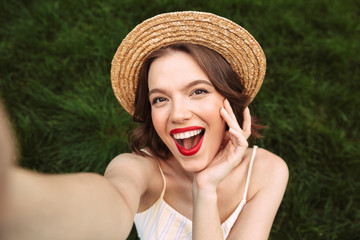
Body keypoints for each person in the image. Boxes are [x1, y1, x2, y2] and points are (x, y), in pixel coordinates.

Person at [0, 11, 288, 240]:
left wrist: (205, 189)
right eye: (160, 99)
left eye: (198, 91)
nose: (177, 114)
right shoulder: (138, 169)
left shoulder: (267, 172)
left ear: (229, 101)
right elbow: (108, 204)